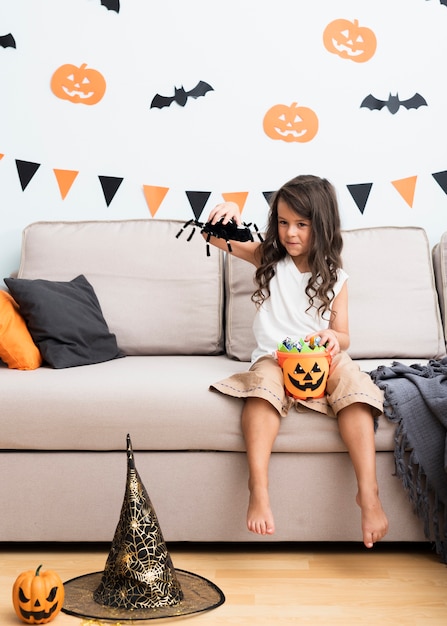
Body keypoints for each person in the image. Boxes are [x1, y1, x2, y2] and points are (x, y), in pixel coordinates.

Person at [204, 174, 389, 549]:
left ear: (321, 226)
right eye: (284, 223)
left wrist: (332, 338)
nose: (291, 233)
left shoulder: (336, 277)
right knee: (259, 393)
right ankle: (258, 488)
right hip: (275, 357)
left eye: (301, 225)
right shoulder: (268, 259)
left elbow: (345, 335)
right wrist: (229, 213)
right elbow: (211, 237)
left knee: (355, 390)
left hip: (322, 358)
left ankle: (368, 494)